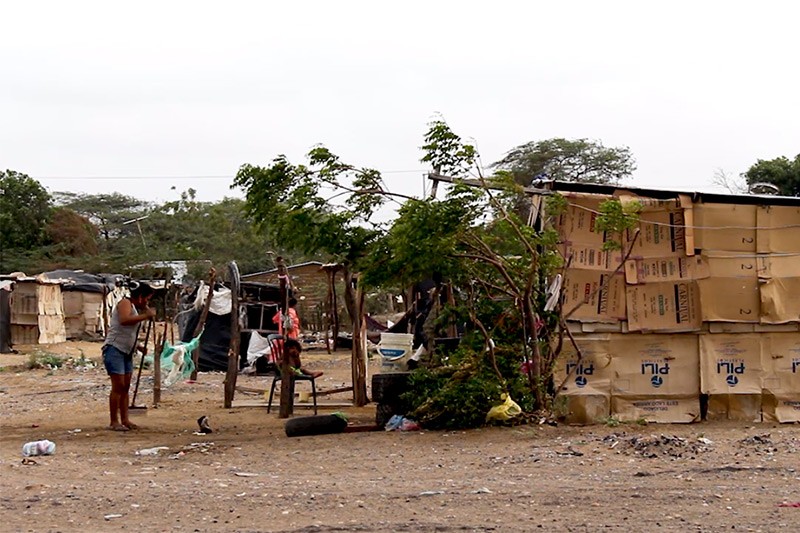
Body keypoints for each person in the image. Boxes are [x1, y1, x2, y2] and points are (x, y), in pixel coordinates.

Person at [102, 282, 156, 431]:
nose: (147, 302)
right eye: (146, 298)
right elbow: (124, 321)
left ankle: (125, 419)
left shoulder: (136, 309)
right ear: (139, 296)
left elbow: (129, 333)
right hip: (114, 349)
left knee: (125, 387)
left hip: (127, 351)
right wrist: (146, 314)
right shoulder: (125, 303)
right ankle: (114, 421)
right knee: (118, 387)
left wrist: (138, 346)